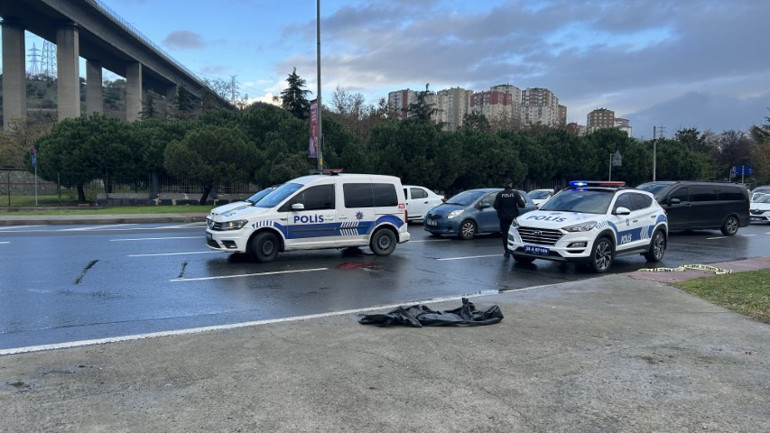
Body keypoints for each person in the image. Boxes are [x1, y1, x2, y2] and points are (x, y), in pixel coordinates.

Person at [493, 178, 525, 257]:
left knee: (504, 234)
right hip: (513, 217)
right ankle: (515, 249)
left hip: (503, 217)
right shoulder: (515, 194)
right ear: (511, 184)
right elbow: (522, 205)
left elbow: (495, 206)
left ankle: (507, 252)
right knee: (515, 234)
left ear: (504, 184)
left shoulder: (500, 194)